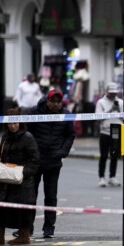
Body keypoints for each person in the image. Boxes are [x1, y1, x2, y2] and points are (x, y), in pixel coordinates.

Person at [23, 89, 76, 238]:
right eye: (53, 101)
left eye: (59, 102)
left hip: (54, 161)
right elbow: (27, 132)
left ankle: (49, 228)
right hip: (35, 161)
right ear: (47, 101)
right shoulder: (35, 112)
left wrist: (62, 152)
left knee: (51, 196)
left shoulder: (65, 114)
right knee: (30, 195)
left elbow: (70, 135)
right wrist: (31, 152)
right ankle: (28, 227)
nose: (55, 104)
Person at [0, 108, 41, 246]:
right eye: (9, 123)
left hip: (21, 181)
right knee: (2, 209)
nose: (12, 126)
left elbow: (35, 159)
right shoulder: (5, 137)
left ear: (20, 122)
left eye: (15, 122)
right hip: (6, 179)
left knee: (22, 210)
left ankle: (24, 237)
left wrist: (23, 173)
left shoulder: (27, 137)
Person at [95, 82, 122, 187]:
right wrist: (110, 110)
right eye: (111, 92)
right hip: (105, 131)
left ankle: (112, 177)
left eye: (115, 93)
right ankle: (101, 177)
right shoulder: (100, 102)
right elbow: (98, 117)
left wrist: (118, 110)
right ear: (107, 91)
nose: (113, 94)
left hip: (117, 129)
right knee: (104, 155)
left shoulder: (121, 102)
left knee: (115, 155)